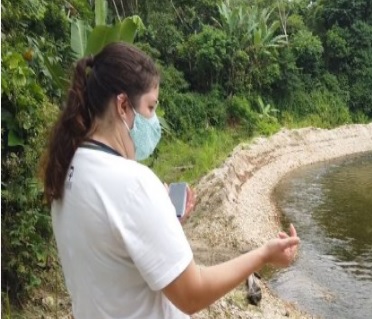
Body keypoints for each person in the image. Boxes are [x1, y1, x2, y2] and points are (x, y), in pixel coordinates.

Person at [40, 42, 300, 319]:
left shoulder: (69, 166)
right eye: (151, 107)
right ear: (123, 105)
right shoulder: (133, 182)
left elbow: (111, 257)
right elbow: (192, 294)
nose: (154, 120)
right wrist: (263, 254)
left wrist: (165, 222)